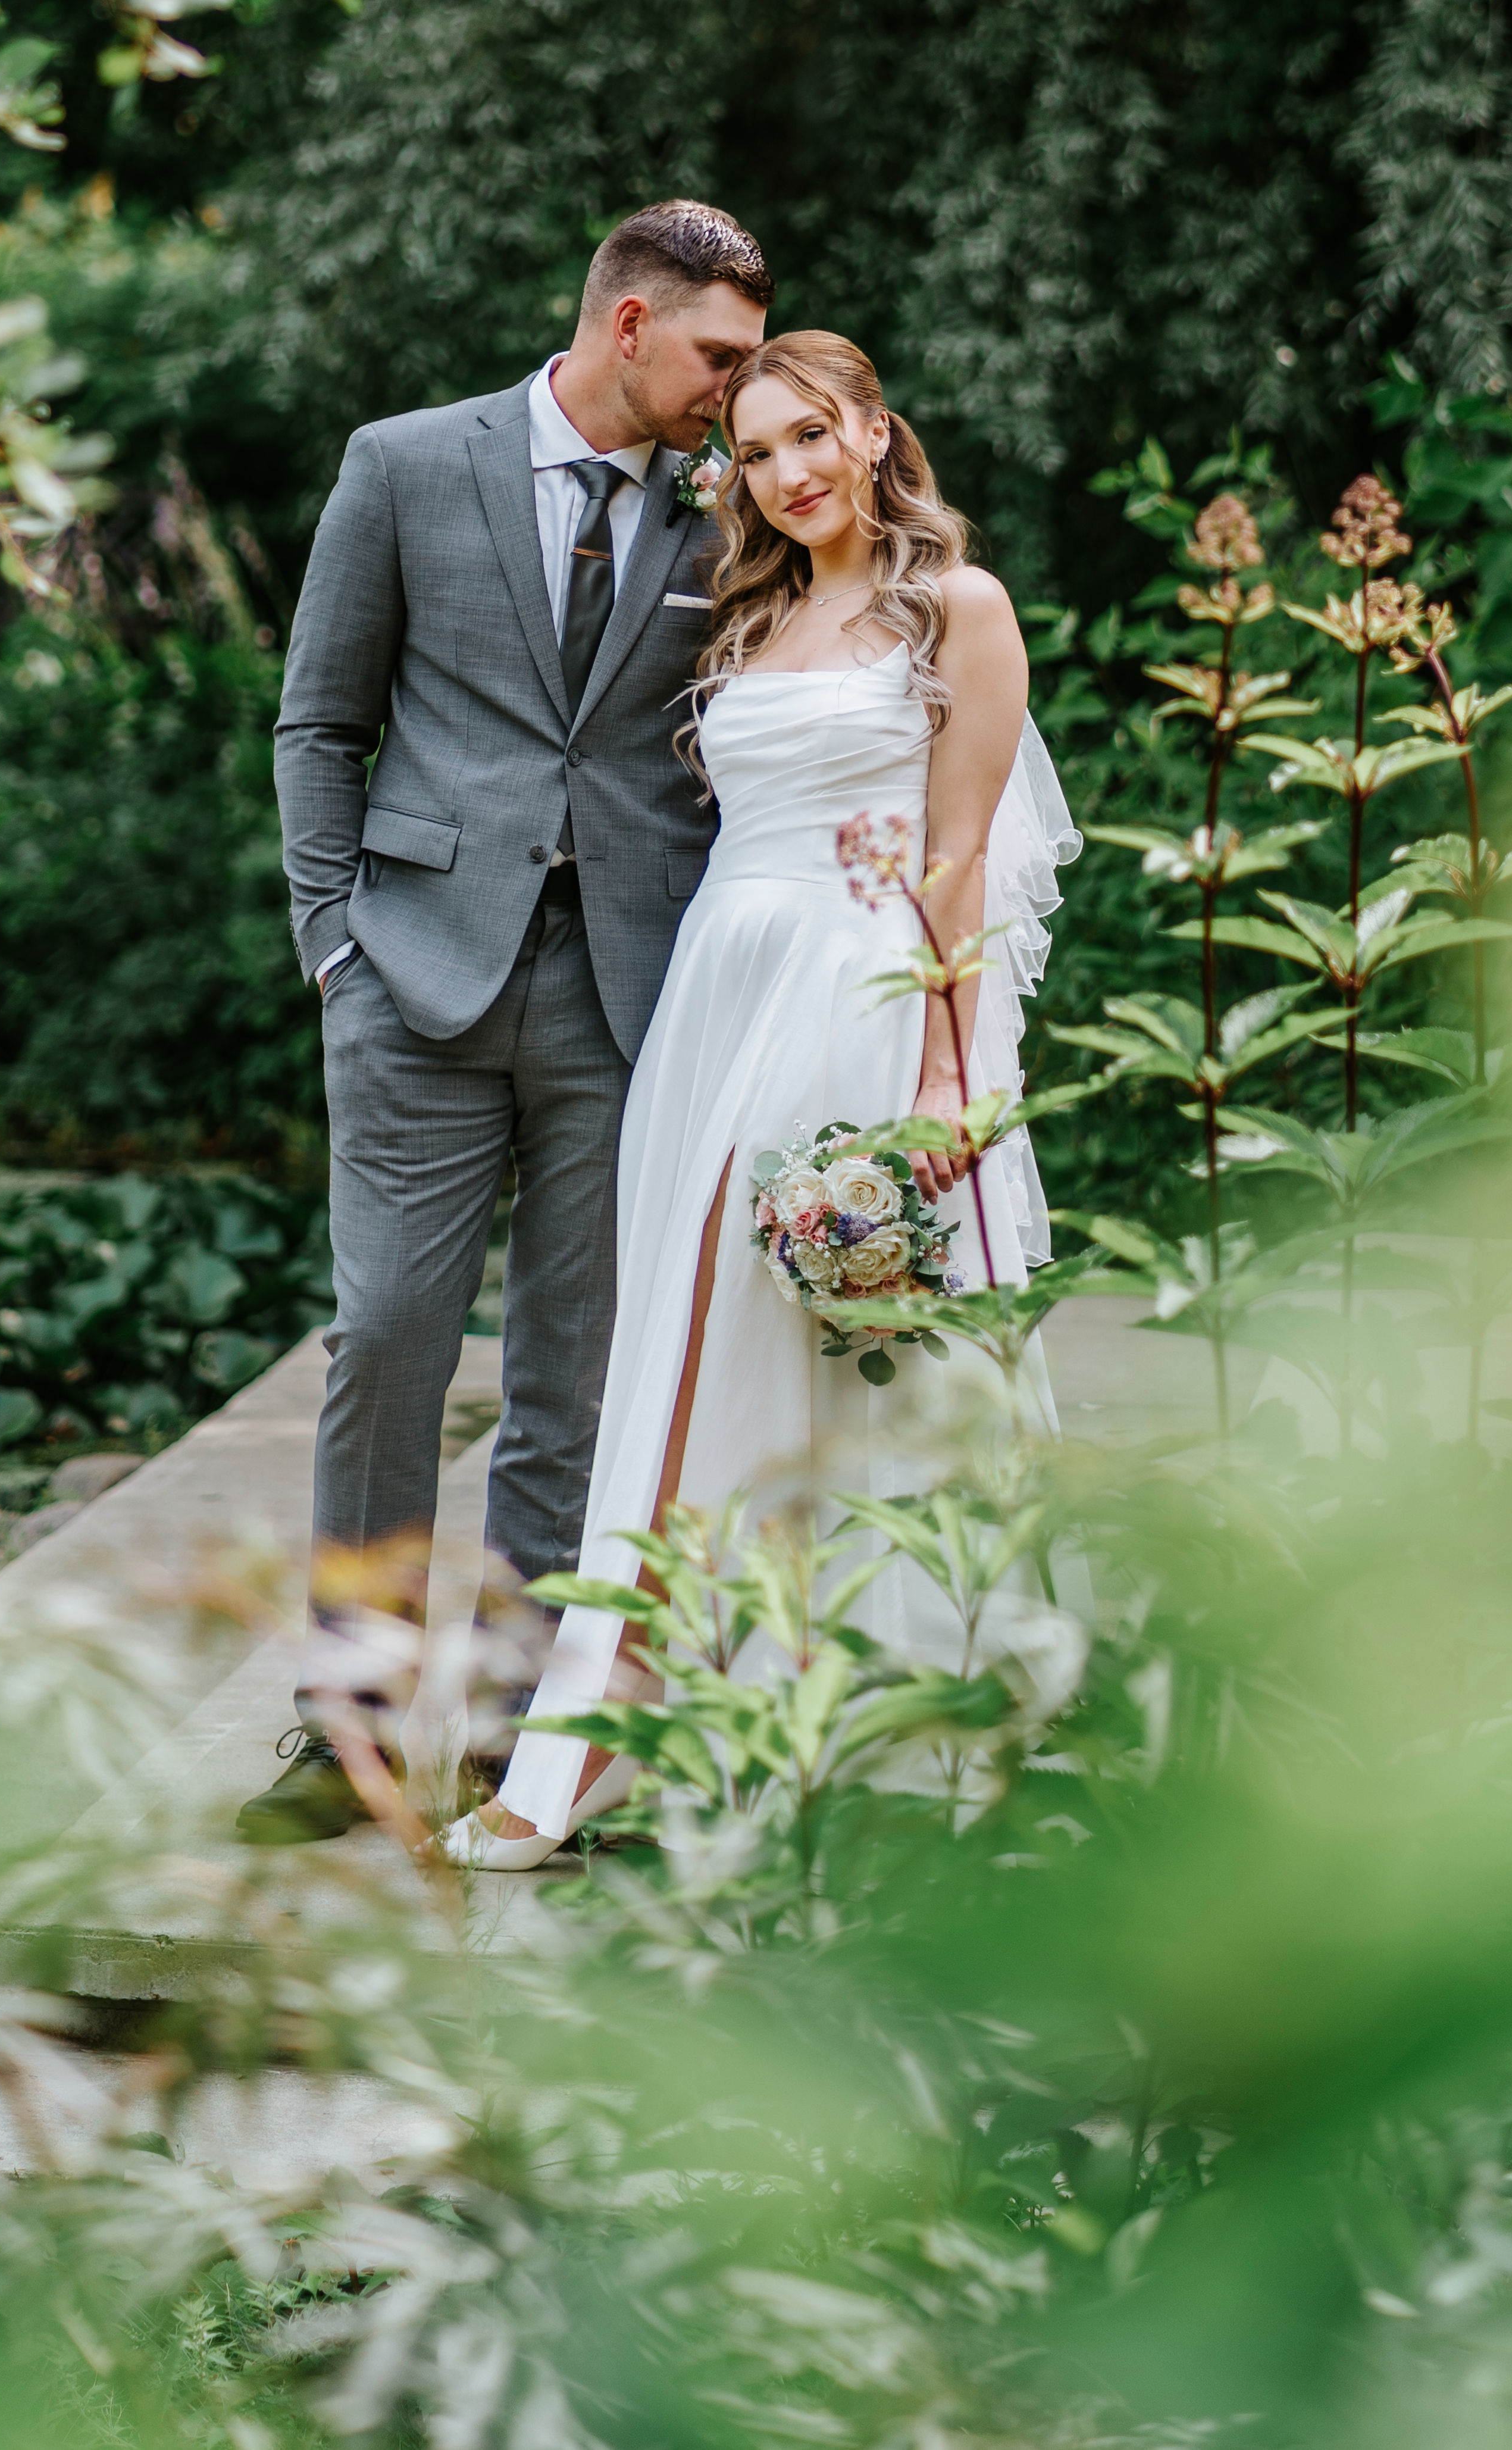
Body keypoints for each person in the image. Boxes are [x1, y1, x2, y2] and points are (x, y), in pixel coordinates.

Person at [444, 327, 1079, 1868]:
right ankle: (650, 1707)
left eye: (813, 434)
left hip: (861, 999)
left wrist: (941, 1073)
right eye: (760, 447)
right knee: (682, 1341)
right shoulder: (750, 615)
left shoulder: (958, 611)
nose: (788, 471)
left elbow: (959, 851)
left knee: (868, 1358)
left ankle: (902, 1713)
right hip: (717, 1010)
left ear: (874, 432)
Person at [239, 199, 774, 1844]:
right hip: (414, 979)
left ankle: (526, 1725)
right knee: (390, 1336)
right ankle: (356, 1723)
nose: (735, 393)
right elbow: (321, 717)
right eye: (717, 356)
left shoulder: (726, 506)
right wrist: (335, 938)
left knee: (575, 1371)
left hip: (628, 996)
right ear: (627, 322)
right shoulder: (404, 463)